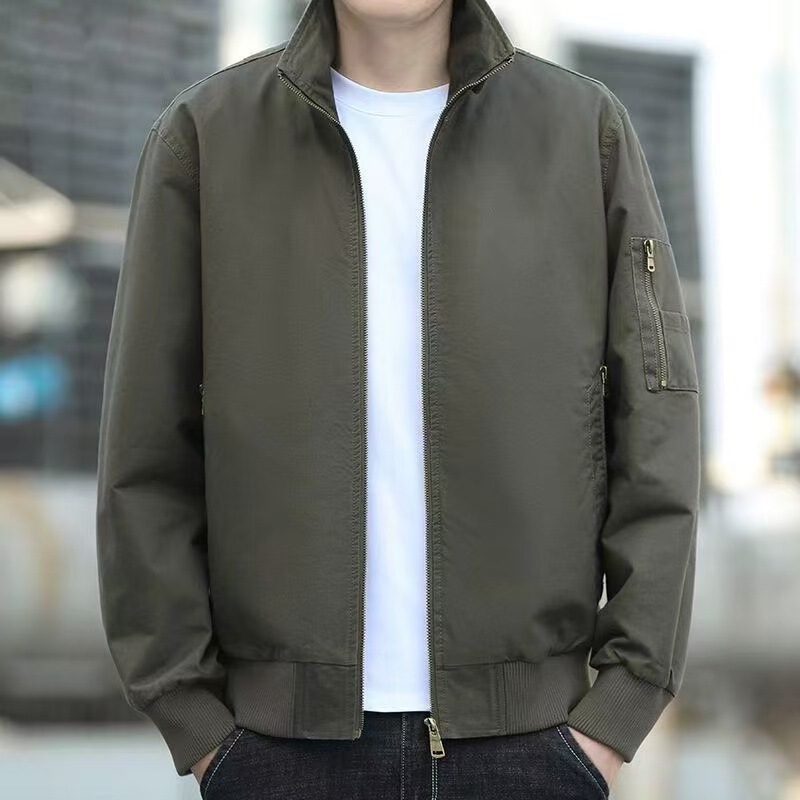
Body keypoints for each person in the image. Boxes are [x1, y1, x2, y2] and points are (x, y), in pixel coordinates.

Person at [95, 0, 701, 797]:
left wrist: (616, 713)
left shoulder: (583, 132)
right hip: (280, 751)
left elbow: (656, 424)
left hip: (532, 747)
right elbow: (145, 450)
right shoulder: (207, 137)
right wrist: (197, 722)